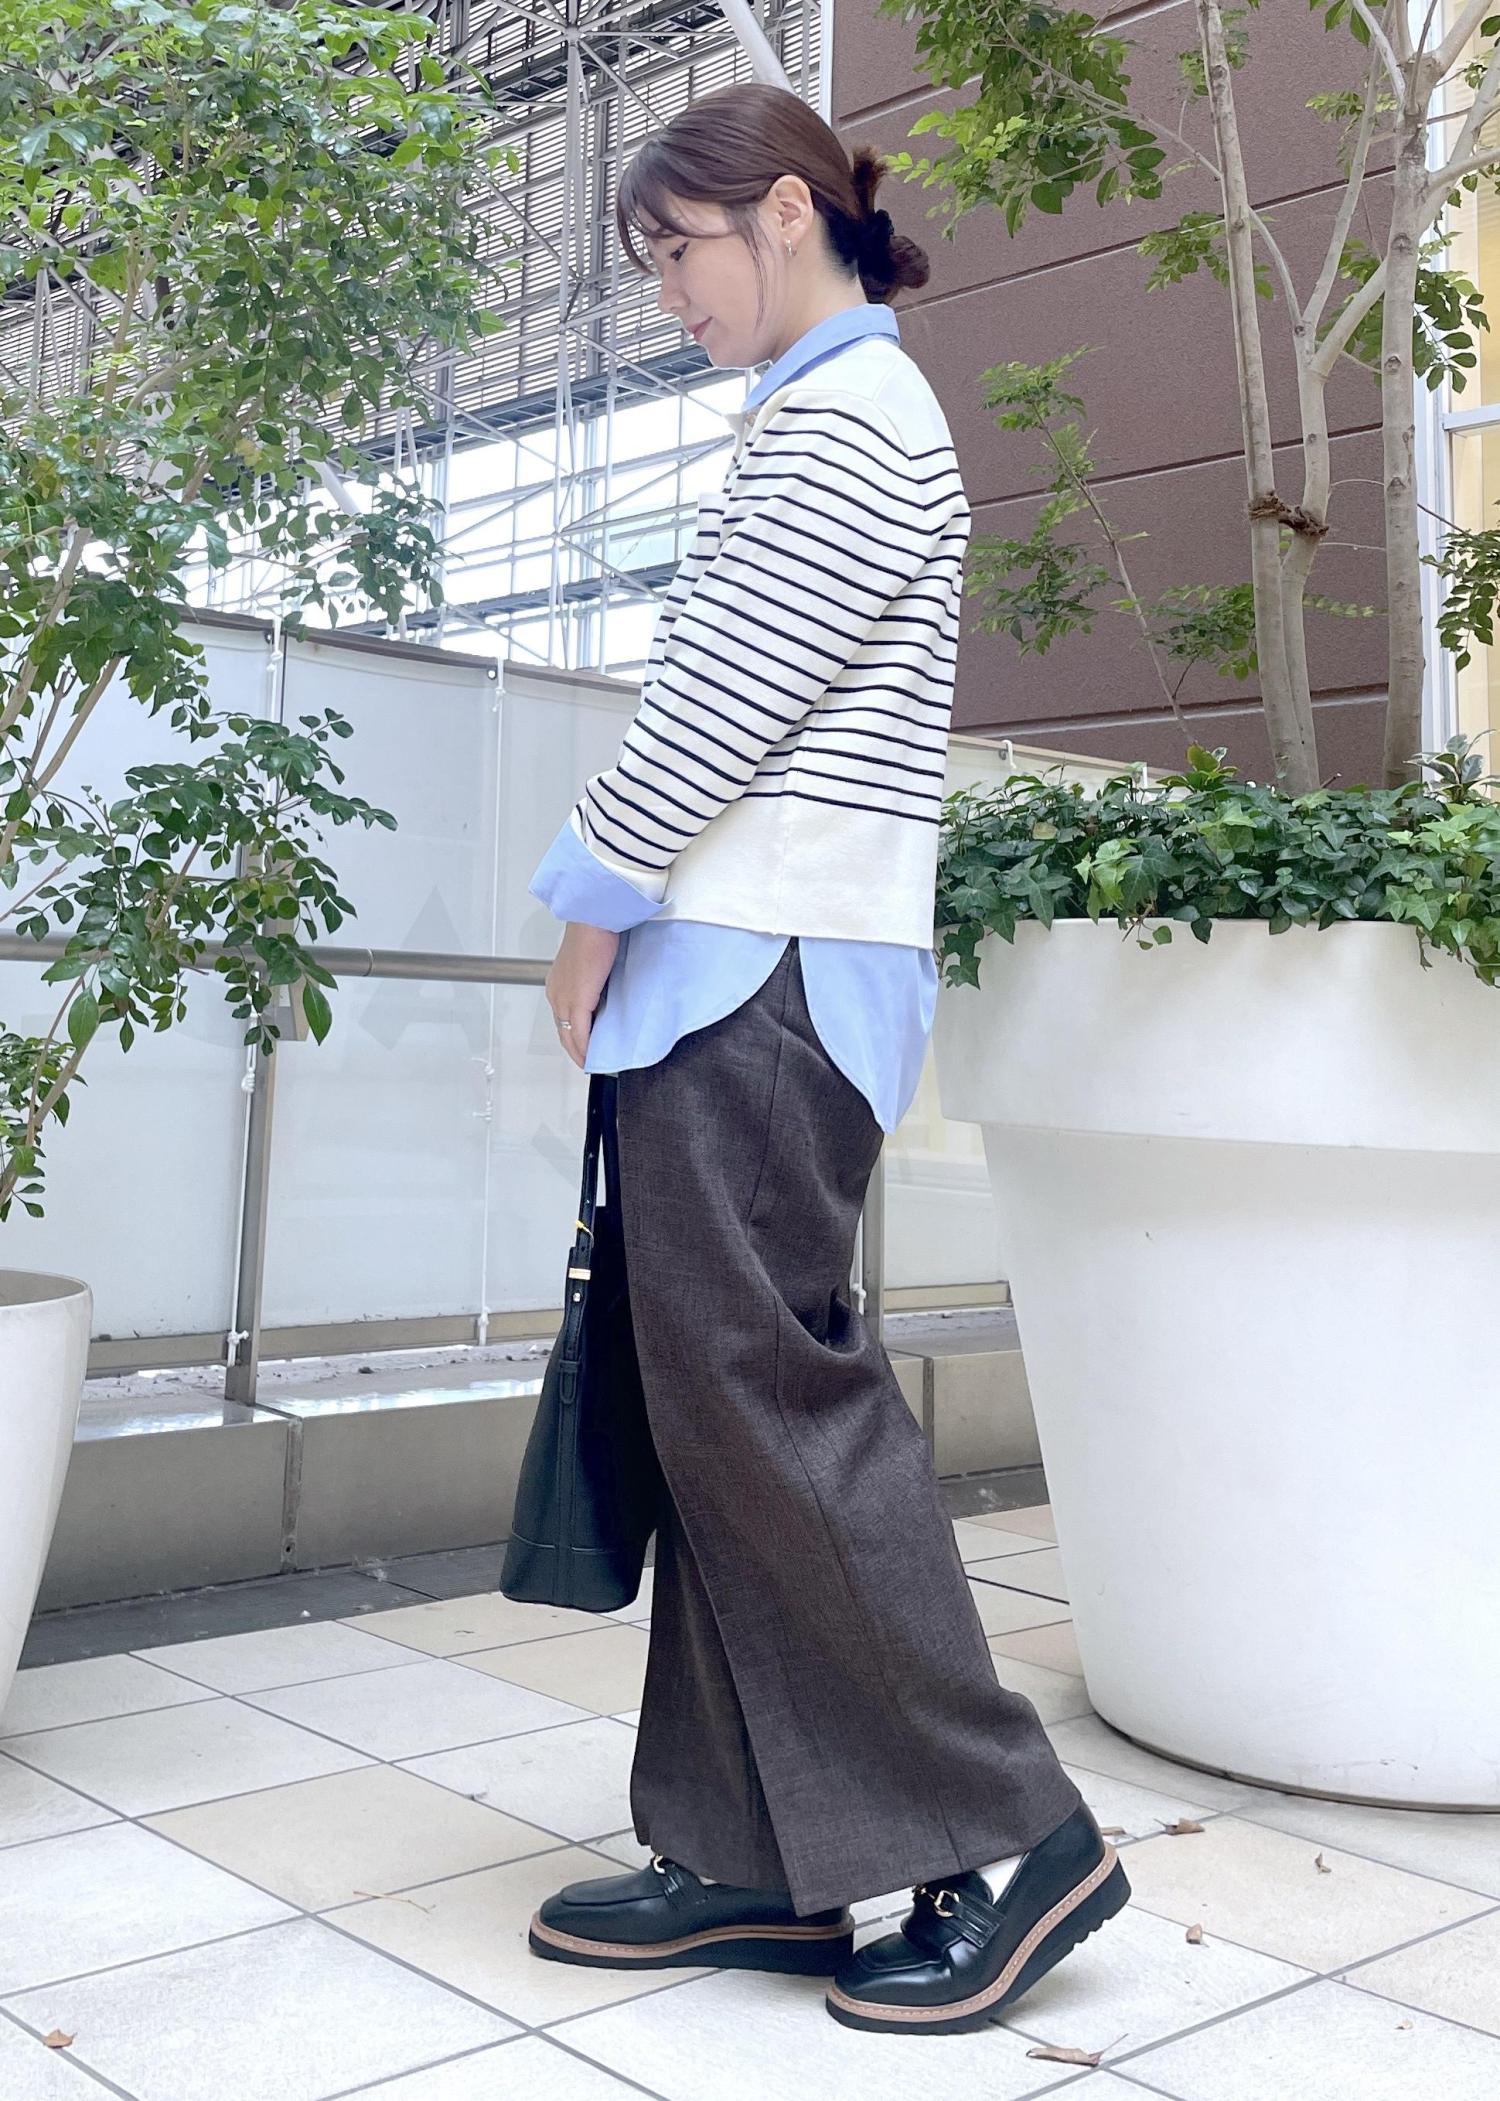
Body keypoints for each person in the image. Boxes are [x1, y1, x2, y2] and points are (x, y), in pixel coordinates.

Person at [523, 79, 1129, 2037]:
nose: (668, 296)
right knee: (721, 1403)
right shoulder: (826, 413)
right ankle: (759, 1850)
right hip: (754, 970)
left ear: (787, 210)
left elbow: (722, 700)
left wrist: (590, 901)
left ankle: (1010, 1833)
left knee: (765, 1394)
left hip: (759, 971)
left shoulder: (853, 417)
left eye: (677, 253)